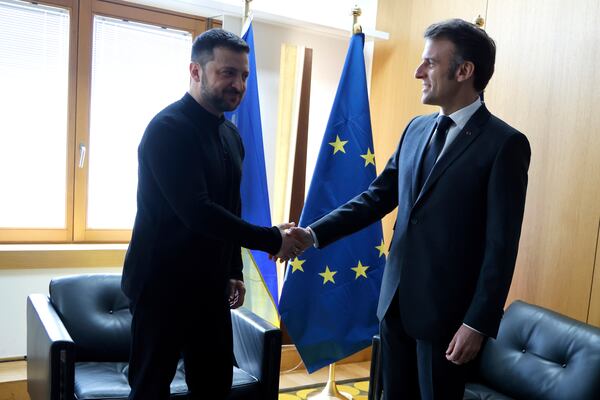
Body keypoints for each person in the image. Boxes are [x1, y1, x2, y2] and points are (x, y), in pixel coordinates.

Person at [287, 19, 531, 399]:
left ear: (464, 71)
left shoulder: (505, 144)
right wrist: (312, 233)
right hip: (395, 305)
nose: (418, 72)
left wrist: (477, 324)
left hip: (448, 319)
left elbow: (501, 246)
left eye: (430, 63)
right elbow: (376, 198)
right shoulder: (415, 129)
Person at [121, 29, 301, 400]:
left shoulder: (230, 135)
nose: (238, 84)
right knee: (150, 389)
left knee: (214, 386)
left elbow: (228, 207)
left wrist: (233, 270)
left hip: (209, 287)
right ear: (196, 71)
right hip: (161, 288)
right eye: (227, 73)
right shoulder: (167, 130)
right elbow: (198, 212)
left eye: (244, 75)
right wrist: (272, 239)